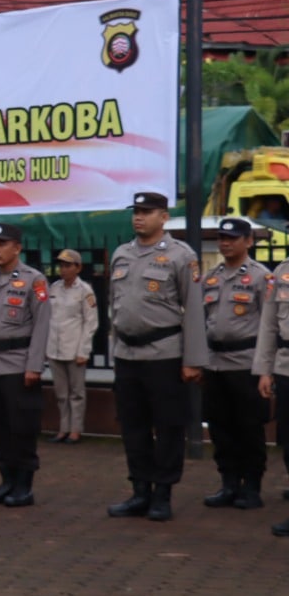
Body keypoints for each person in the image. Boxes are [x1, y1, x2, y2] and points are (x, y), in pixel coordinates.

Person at [106, 191, 207, 522]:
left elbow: (193, 309)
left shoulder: (181, 255)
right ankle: (140, 491)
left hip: (164, 354)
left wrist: (192, 360)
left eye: (147, 212)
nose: (139, 217)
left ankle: (162, 493)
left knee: (168, 427)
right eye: (136, 211)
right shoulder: (122, 254)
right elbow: (115, 307)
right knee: (132, 427)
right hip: (127, 354)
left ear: (164, 217)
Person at [0, 223, 51, 507]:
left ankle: (23, 485)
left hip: (18, 364)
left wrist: (34, 366)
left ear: (17, 248)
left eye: (1, 244)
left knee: (22, 426)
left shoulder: (34, 280)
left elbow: (42, 325)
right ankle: (6, 481)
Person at [198, 217, 269, 511]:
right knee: (220, 427)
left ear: (248, 241)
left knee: (249, 428)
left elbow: (269, 326)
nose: (225, 243)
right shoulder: (210, 277)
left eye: (232, 238)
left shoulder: (261, 277)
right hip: (215, 364)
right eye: (222, 238)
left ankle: (251, 486)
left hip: (246, 364)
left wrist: (265, 369)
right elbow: (201, 321)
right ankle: (228, 483)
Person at [46, 248, 98, 445]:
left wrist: (84, 350)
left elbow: (91, 322)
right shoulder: (54, 288)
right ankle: (63, 428)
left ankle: (75, 429)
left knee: (76, 393)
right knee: (61, 393)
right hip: (55, 347)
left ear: (78, 267)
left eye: (68, 266)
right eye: (61, 265)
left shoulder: (85, 291)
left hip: (75, 348)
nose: (63, 269)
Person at [254, 250, 289, 536]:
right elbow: (268, 325)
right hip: (286, 367)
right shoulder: (281, 272)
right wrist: (264, 370)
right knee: (288, 441)